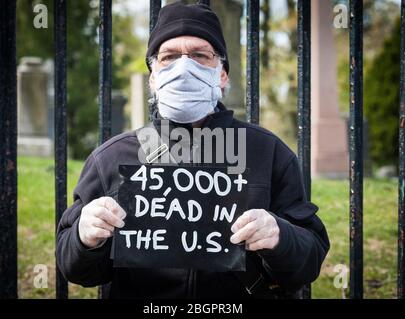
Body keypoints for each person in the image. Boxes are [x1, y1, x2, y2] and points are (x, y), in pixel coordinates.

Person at [56, 2, 329, 299]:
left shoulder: (269, 153)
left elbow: (310, 257)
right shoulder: (110, 158)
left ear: (222, 75)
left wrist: (281, 237)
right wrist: (85, 238)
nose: (184, 68)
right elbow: (74, 268)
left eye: (200, 56)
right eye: (169, 57)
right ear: (153, 77)